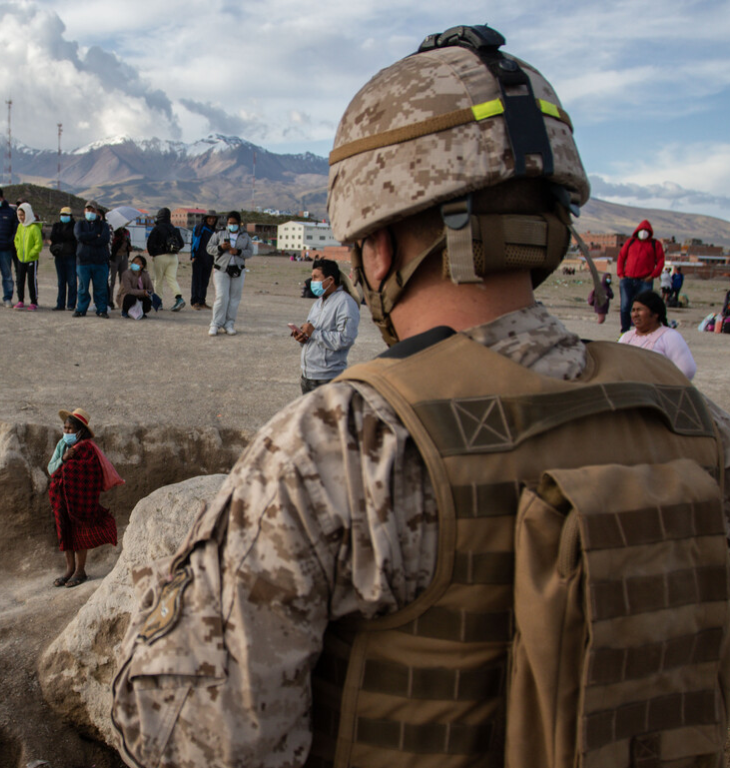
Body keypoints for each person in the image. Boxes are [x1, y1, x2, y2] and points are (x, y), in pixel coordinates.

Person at [111, 25, 730, 768]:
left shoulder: (343, 439)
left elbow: (193, 740)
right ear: (553, 227)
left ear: (377, 247)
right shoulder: (691, 418)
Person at [47, 408, 118, 588]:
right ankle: (69, 570)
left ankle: (80, 571)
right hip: (62, 498)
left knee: (79, 533)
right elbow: (51, 468)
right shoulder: (62, 445)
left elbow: (91, 472)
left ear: (81, 431)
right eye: (65, 428)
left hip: (79, 498)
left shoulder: (88, 449)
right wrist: (64, 459)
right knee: (65, 532)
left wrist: (70, 469)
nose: (67, 432)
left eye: (71, 429)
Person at [292, 259, 359, 393]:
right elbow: (312, 334)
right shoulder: (318, 303)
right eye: (312, 277)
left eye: (316, 277)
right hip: (308, 375)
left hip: (327, 378)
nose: (312, 281)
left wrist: (314, 333)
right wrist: (303, 337)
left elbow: (346, 339)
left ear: (330, 280)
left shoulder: (345, 303)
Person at [619, 290, 697, 379]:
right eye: (633, 310)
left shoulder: (670, 337)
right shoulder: (626, 337)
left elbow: (687, 370)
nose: (635, 314)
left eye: (639, 310)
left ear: (655, 314)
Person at [206, 210, 252, 336]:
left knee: (234, 298)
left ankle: (229, 323)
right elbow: (209, 248)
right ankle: (215, 323)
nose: (232, 225)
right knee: (221, 297)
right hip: (221, 269)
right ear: (226, 223)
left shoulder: (245, 236)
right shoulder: (219, 233)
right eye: (230, 223)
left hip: (238, 270)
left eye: (235, 223)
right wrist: (221, 248)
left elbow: (250, 252)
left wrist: (237, 252)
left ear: (239, 223)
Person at [616, 219, 665, 332]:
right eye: (642, 230)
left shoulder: (655, 244)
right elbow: (621, 257)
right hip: (628, 279)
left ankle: (641, 330)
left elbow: (661, 261)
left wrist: (652, 275)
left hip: (644, 281)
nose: (643, 232)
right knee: (625, 307)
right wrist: (621, 274)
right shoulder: (630, 242)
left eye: (646, 230)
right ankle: (624, 331)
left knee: (644, 308)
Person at [74, 201, 111, 318]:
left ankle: (101, 310)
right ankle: (81, 309)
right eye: (88, 210)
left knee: (100, 288)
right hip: (83, 262)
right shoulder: (79, 224)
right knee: (83, 288)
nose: (90, 212)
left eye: (93, 210)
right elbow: (79, 236)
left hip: (100, 262)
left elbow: (104, 239)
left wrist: (87, 238)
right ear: (84, 211)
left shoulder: (104, 226)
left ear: (97, 212)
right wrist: (95, 235)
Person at [147, 208, 186, 312]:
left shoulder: (157, 229)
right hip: (174, 257)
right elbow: (181, 244)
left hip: (160, 257)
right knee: (172, 279)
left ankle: (158, 303)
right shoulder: (174, 229)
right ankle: (179, 299)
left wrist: (154, 253)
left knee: (158, 280)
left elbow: (150, 244)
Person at [12, 202, 42, 310]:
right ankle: (20, 300)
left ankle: (34, 301)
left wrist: (31, 253)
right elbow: (16, 239)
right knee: (20, 280)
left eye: (23, 215)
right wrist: (19, 250)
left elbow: (38, 244)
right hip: (21, 258)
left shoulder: (34, 228)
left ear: (28, 214)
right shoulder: (20, 227)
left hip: (31, 260)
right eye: (19, 215)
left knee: (31, 281)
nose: (21, 217)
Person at [49, 207, 78, 311]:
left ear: (70, 216)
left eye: (66, 215)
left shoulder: (75, 226)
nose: (64, 217)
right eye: (62, 215)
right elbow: (53, 237)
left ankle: (71, 304)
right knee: (61, 282)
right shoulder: (56, 225)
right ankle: (60, 304)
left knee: (72, 282)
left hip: (71, 256)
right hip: (59, 256)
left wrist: (61, 237)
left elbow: (72, 237)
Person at [190, 211, 218, 309]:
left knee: (205, 281)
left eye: (213, 218)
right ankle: (195, 301)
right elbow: (195, 241)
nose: (211, 220)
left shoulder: (214, 230)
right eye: (210, 218)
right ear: (206, 218)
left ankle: (202, 301)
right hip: (198, 258)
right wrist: (193, 255)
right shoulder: (201, 227)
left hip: (209, 259)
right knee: (196, 281)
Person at [120, 255, 155, 319]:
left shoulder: (145, 275)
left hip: (141, 296)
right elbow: (129, 290)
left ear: (142, 266)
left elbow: (151, 289)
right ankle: (125, 311)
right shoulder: (126, 274)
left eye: (137, 263)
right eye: (134, 262)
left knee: (148, 300)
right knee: (130, 297)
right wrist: (143, 292)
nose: (134, 264)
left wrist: (147, 293)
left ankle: (142, 312)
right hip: (128, 295)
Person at [109, 225, 132, 306]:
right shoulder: (113, 232)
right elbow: (112, 245)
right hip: (114, 257)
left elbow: (129, 246)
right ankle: (110, 300)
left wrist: (128, 245)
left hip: (124, 256)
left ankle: (122, 300)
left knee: (124, 280)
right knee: (111, 280)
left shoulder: (127, 232)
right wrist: (120, 240)